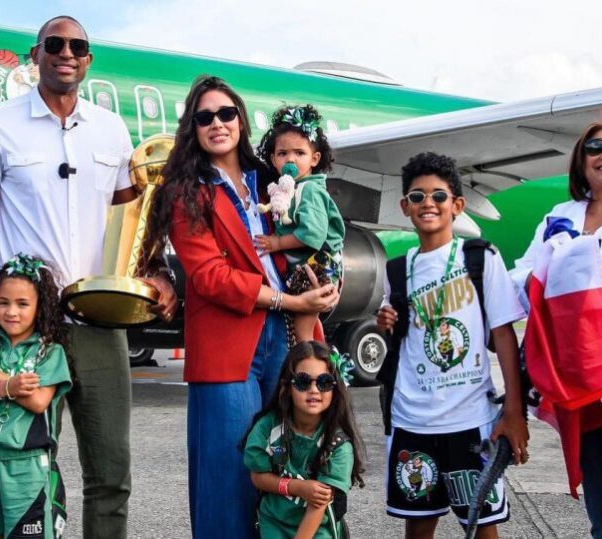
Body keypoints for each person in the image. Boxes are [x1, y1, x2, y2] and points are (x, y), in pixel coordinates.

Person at [0, 16, 177, 538]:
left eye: (78, 45)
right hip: (23, 328)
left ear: (89, 59)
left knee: (111, 472)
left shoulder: (112, 129)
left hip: (98, 318)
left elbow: (134, 222)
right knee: (15, 462)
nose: (66, 52)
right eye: (55, 44)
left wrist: (159, 271)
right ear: (36, 55)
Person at [143, 75, 339, 538]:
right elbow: (208, 276)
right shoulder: (187, 190)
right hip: (228, 339)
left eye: (226, 113)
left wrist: (321, 283)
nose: (217, 123)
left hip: (285, 335)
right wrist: (287, 298)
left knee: (289, 462)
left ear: (241, 120)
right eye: (204, 116)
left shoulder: (271, 176)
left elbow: (312, 232)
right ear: (193, 128)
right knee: (229, 475)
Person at [510, 121, 602, 538]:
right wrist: (549, 268)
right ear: (581, 162)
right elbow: (520, 281)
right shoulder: (561, 217)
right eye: (595, 147)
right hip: (582, 385)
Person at [376, 152, 529, 539]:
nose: (428, 203)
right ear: (405, 207)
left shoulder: (478, 257)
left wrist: (514, 410)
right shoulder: (398, 268)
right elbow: (395, 329)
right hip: (412, 419)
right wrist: (387, 322)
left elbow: (504, 334)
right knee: (418, 526)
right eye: (417, 196)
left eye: (439, 196)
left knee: (481, 526)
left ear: (457, 206)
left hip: (469, 420)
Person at [0, 254, 71, 539]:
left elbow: (38, 402)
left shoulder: (49, 352)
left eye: (23, 304)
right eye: (3, 303)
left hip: (27, 469)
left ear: (39, 308)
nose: (11, 312)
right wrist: (7, 388)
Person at [243, 340, 364, 539]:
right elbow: (257, 476)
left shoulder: (338, 444)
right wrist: (296, 487)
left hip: (317, 528)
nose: (314, 390)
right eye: (303, 381)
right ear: (286, 387)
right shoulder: (268, 427)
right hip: (274, 522)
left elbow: (318, 504)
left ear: (334, 388)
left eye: (324, 382)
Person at [254, 105, 345, 343]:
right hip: (306, 265)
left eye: (300, 153)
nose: (290, 159)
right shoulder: (289, 189)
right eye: (283, 154)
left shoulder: (310, 190)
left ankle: (304, 362)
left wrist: (277, 243)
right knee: (296, 329)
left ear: (315, 158)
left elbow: (312, 235)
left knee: (302, 335)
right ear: (273, 159)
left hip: (318, 265)